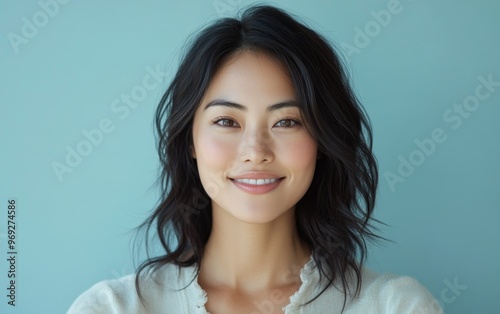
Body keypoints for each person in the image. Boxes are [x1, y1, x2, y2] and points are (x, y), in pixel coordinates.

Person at [68, 5, 443, 314]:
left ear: (323, 140)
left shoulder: (397, 307)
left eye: (287, 121)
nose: (255, 151)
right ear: (191, 141)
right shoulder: (112, 308)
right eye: (227, 121)